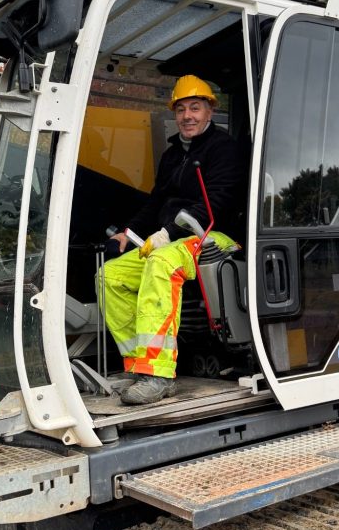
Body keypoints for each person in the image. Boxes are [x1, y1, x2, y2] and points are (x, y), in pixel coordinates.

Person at [98, 75, 246, 405]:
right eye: (181, 110)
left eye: (195, 108)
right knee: (110, 276)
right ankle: (140, 365)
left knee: (161, 262)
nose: (187, 116)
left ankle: (159, 375)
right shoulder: (172, 155)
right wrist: (129, 233)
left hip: (213, 235)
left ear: (209, 111)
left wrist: (167, 234)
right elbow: (156, 203)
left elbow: (216, 204)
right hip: (176, 239)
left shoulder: (223, 149)